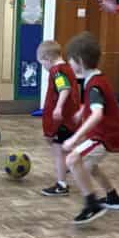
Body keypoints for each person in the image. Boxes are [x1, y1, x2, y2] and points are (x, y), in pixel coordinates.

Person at [62, 32, 119, 226]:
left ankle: (91, 204)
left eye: (70, 61)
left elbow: (98, 114)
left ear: (80, 61)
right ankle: (113, 197)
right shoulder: (97, 79)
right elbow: (97, 104)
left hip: (103, 136)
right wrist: (82, 110)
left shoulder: (94, 85)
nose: (69, 65)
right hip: (108, 133)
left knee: (72, 159)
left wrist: (74, 138)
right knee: (89, 166)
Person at [37, 39, 81, 196]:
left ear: (48, 59)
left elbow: (64, 88)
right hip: (69, 119)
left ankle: (61, 185)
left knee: (59, 151)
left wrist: (58, 107)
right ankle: (68, 166)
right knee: (62, 149)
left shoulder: (57, 71)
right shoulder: (68, 68)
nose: (44, 67)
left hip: (62, 121)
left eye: (42, 64)